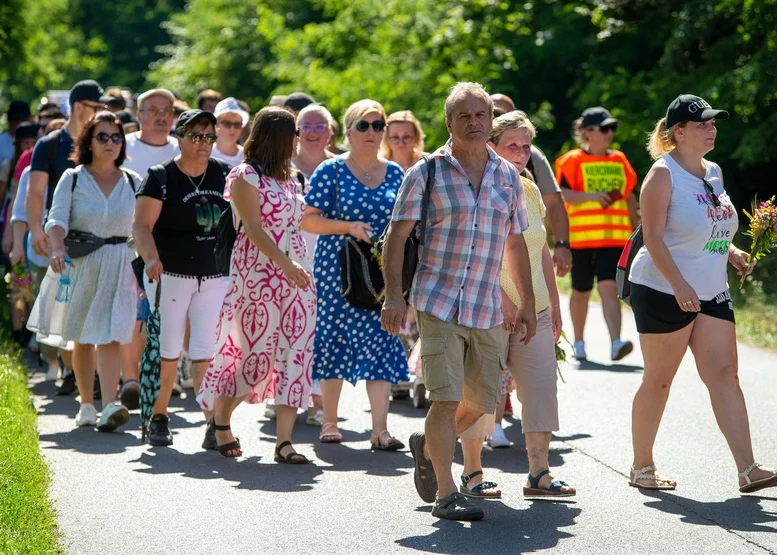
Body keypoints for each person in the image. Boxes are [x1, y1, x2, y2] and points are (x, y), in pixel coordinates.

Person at [381, 83, 535, 521]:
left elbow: (517, 244)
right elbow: (397, 234)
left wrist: (523, 301)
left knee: (484, 402)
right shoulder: (426, 172)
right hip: (438, 299)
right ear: (449, 124)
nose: (473, 122)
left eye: (480, 115)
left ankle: (428, 446)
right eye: (464, 116)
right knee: (445, 399)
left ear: (491, 121)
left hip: (486, 304)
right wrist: (394, 295)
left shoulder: (507, 176)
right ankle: (446, 493)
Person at [628, 94, 777, 493]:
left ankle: (748, 469)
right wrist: (679, 285)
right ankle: (642, 466)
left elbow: (713, 226)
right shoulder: (662, 175)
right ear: (678, 132)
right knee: (659, 380)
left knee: (726, 374)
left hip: (711, 289)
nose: (712, 129)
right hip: (662, 288)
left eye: (713, 123)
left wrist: (732, 253)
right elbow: (655, 239)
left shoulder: (714, 172)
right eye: (703, 124)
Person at [462, 111, 575, 498]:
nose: (523, 153)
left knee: (541, 389)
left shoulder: (528, 187)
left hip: (537, 308)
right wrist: (505, 302)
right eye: (513, 145)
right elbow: (477, 251)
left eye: (527, 146)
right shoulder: (477, 185)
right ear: (490, 146)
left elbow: (539, 245)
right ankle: (473, 473)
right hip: (489, 308)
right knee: (482, 392)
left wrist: (553, 302)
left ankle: (539, 474)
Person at [198, 107, 315, 461]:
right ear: (279, 136)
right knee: (254, 354)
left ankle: (284, 442)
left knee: (296, 350)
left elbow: (301, 223)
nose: (299, 139)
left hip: (297, 276)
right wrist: (285, 263)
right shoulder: (246, 175)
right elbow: (252, 227)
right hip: (258, 274)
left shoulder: (294, 178)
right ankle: (220, 421)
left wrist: (301, 262)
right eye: (294, 132)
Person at [301, 99, 407, 449]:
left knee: (382, 339)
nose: (372, 132)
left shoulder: (395, 173)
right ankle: (329, 420)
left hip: (380, 273)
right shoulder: (329, 171)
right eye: (364, 125)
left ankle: (380, 430)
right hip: (338, 269)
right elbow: (308, 219)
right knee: (334, 338)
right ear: (347, 132)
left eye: (379, 126)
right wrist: (347, 226)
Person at [27, 111, 140, 431]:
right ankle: (86, 404)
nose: (110, 143)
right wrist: (58, 247)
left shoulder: (133, 181)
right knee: (83, 337)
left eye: (116, 137)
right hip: (82, 263)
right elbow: (56, 218)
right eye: (102, 136)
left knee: (111, 336)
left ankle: (109, 405)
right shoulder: (73, 177)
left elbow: (144, 225)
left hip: (120, 263)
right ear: (88, 141)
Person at [133, 109, 231, 446]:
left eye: (209, 137)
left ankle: (211, 423)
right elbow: (141, 226)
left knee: (206, 349)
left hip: (215, 274)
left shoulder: (225, 174)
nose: (203, 143)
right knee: (169, 348)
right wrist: (150, 258)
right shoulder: (161, 176)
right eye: (195, 136)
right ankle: (160, 414)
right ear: (180, 137)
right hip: (171, 274)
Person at [27, 80, 110, 396]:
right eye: (97, 108)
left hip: (106, 242)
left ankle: (98, 376)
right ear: (79, 108)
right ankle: (76, 373)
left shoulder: (105, 142)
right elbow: (36, 193)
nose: (102, 114)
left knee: (100, 308)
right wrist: (37, 230)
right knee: (68, 310)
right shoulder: (49, 145)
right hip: (66, 240)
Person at [554, 106, 639, 362]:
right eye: (604, 128)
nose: (609, 133)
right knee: (580, 291)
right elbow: (559, 195)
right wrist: (591, 197)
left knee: (609, 287)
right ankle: (579, 343)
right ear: (587, 132)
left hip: (614, 240)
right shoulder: (570, 161)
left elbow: (629, 197)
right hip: (581, 241)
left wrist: (638, 234)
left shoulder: (620, 160)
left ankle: (616, 343)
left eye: (611, 128)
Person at [490, 94, 572, 279]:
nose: (497, 118)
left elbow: (554, 202)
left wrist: (561, 244)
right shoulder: (468, 159)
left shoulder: (531, 156)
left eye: (503, 113)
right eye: (493, 113)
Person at [289, 104, 336, 426]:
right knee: (289, 327)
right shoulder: (281, 167)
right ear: (297, 131)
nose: (313, 131)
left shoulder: (339, 167)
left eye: (320, 126)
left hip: (330, 257)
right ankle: (286, 393)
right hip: (289, 255)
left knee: (320, 329)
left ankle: (319, 402)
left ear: (331, 132)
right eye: (307, 125)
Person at [124, 89, 180, 177]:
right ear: (139, 115)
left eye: (167, 111)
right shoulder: (122, 146)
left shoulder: (181, 149)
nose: (161, 117)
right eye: (153, 111)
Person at [211, 97, 248, 168]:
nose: (232, 129)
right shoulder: (205, 154)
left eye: (237, 124)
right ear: (216, 126)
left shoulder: (247, 157)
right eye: (227, 123)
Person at [0, 100, 32, 167]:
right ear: (9, 121)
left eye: (23, 120)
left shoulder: (36, 140)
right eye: (16, 121)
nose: (19, 124)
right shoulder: (1, 142)